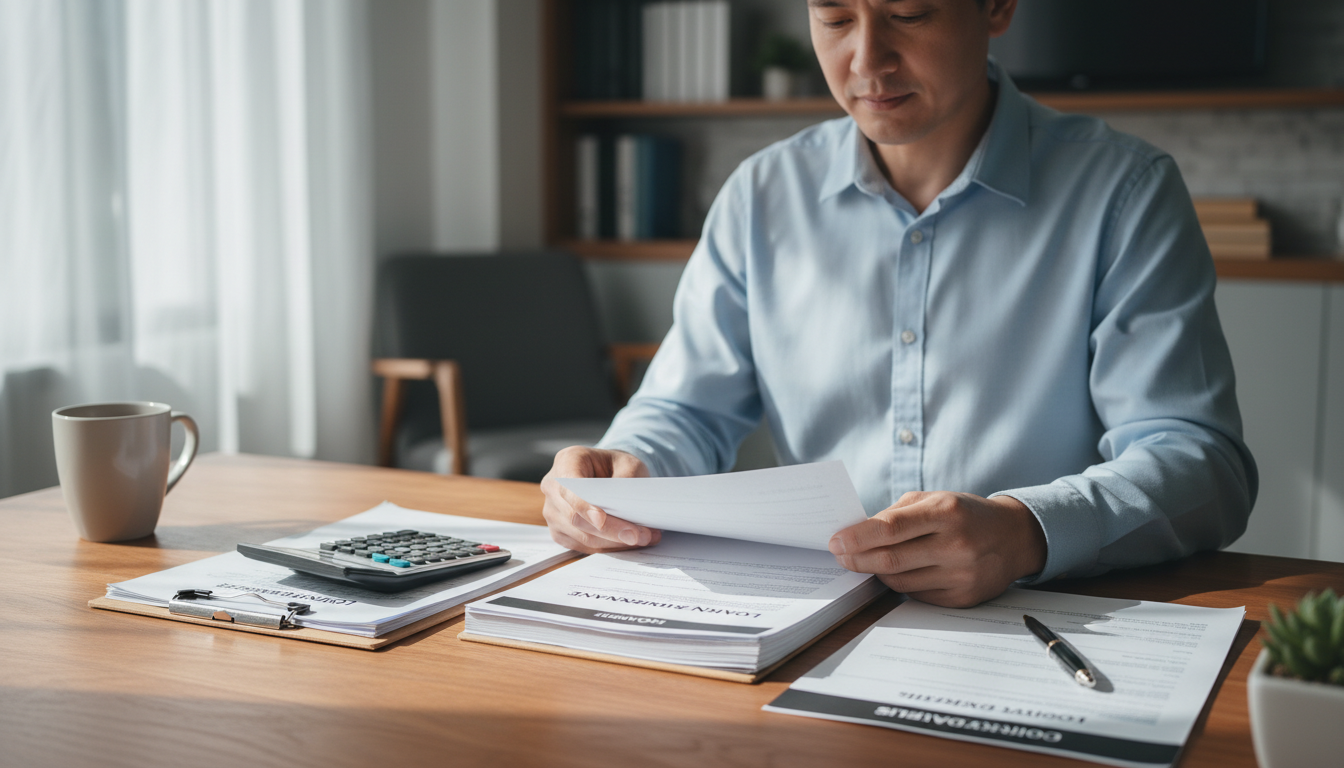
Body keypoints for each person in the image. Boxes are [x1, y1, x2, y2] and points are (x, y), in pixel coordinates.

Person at [540, 0, 1257, 608]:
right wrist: (620, 471)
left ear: (998, 6)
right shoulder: (761, 196)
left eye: (908, 13)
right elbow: (686, 410)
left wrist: (1026, 530)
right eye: (834, 16)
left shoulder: (1124, 193)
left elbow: (1198, 461)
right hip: (810, 619)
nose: (866, 59)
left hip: (1043, 615)